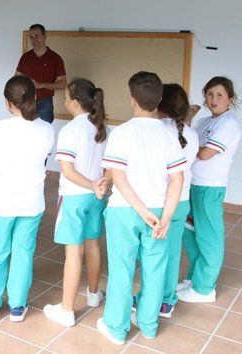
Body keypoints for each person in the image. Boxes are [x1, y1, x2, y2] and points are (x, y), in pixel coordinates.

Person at [97, 71, 185, 344]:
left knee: (121, 269)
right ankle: (148, 324)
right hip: (159, 211)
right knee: (155, 268)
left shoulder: (121, 133)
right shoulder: (170, 134)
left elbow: (118, 177)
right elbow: (177, 179)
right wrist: (167, 216)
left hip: (124, 210)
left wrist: (139, 209)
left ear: (132, 99)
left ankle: (117, 328)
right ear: (159, 100)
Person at [0, 76, 55, 323]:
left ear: (7, 102)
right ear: (35, 98)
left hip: (1, 202)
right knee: (23, 253)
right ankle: (17, 306)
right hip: (31, 202)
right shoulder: (46, 129)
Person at [43, 78, 108, 327]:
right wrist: (98, 185)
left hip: (73, 197)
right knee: (93, 244)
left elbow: (68, 172)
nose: (64, 100)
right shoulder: (102, 128)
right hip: (97, 197)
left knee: (73, 252)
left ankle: (67, 310)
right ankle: (93, 295)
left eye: (66, 97)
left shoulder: (70, 130)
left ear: (75, 102)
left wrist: (91, 184)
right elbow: (106, 168)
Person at [176, 76, 242, 304]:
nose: (214, 99)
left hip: (209, 187)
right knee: (191, 234)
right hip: (193, 184)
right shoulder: (205, 121)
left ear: (230, 99)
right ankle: (195, 278)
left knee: (209, 237)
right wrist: (190, 118)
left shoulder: (228, 124)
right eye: (210, 94)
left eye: (220, 95)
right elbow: (188, 142)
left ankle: (205, 288)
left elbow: (203, 153)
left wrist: (191, 146)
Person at [157, 83, 199, 318]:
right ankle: (166, 301)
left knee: (153, 252)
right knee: (172, 252)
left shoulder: (157, 130)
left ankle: (149, 299)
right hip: (181, 200)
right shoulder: (191, 134)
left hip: (158, 199)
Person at [15, 23, 66, 123]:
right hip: (26, 101)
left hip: (45, 103)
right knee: (26, 133)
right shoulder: (25, 57)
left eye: (37, 36)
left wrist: (41, 85)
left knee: (45, 132)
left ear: (45, 36)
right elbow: (16, 79)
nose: (34, 40)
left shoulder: (56, 58)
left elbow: (63, 84)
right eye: (31, 37)